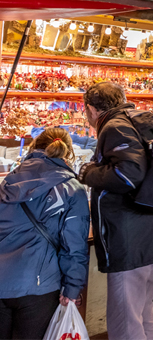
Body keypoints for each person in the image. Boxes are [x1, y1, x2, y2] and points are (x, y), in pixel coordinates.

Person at [78, 82, 153, 340]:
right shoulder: (135, 121)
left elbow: (128, 175)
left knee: (125, 321)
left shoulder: (115, 127)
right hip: (150, 234)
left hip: (129, 238)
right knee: (141, 313)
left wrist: (89, 173)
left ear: (90, 109)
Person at [0, 129, 90, 340]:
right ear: (68, 155)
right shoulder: (71, 188)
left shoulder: (8, 182)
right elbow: (74, 246)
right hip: (40, 286)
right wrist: (73, 288)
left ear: (33, 148)